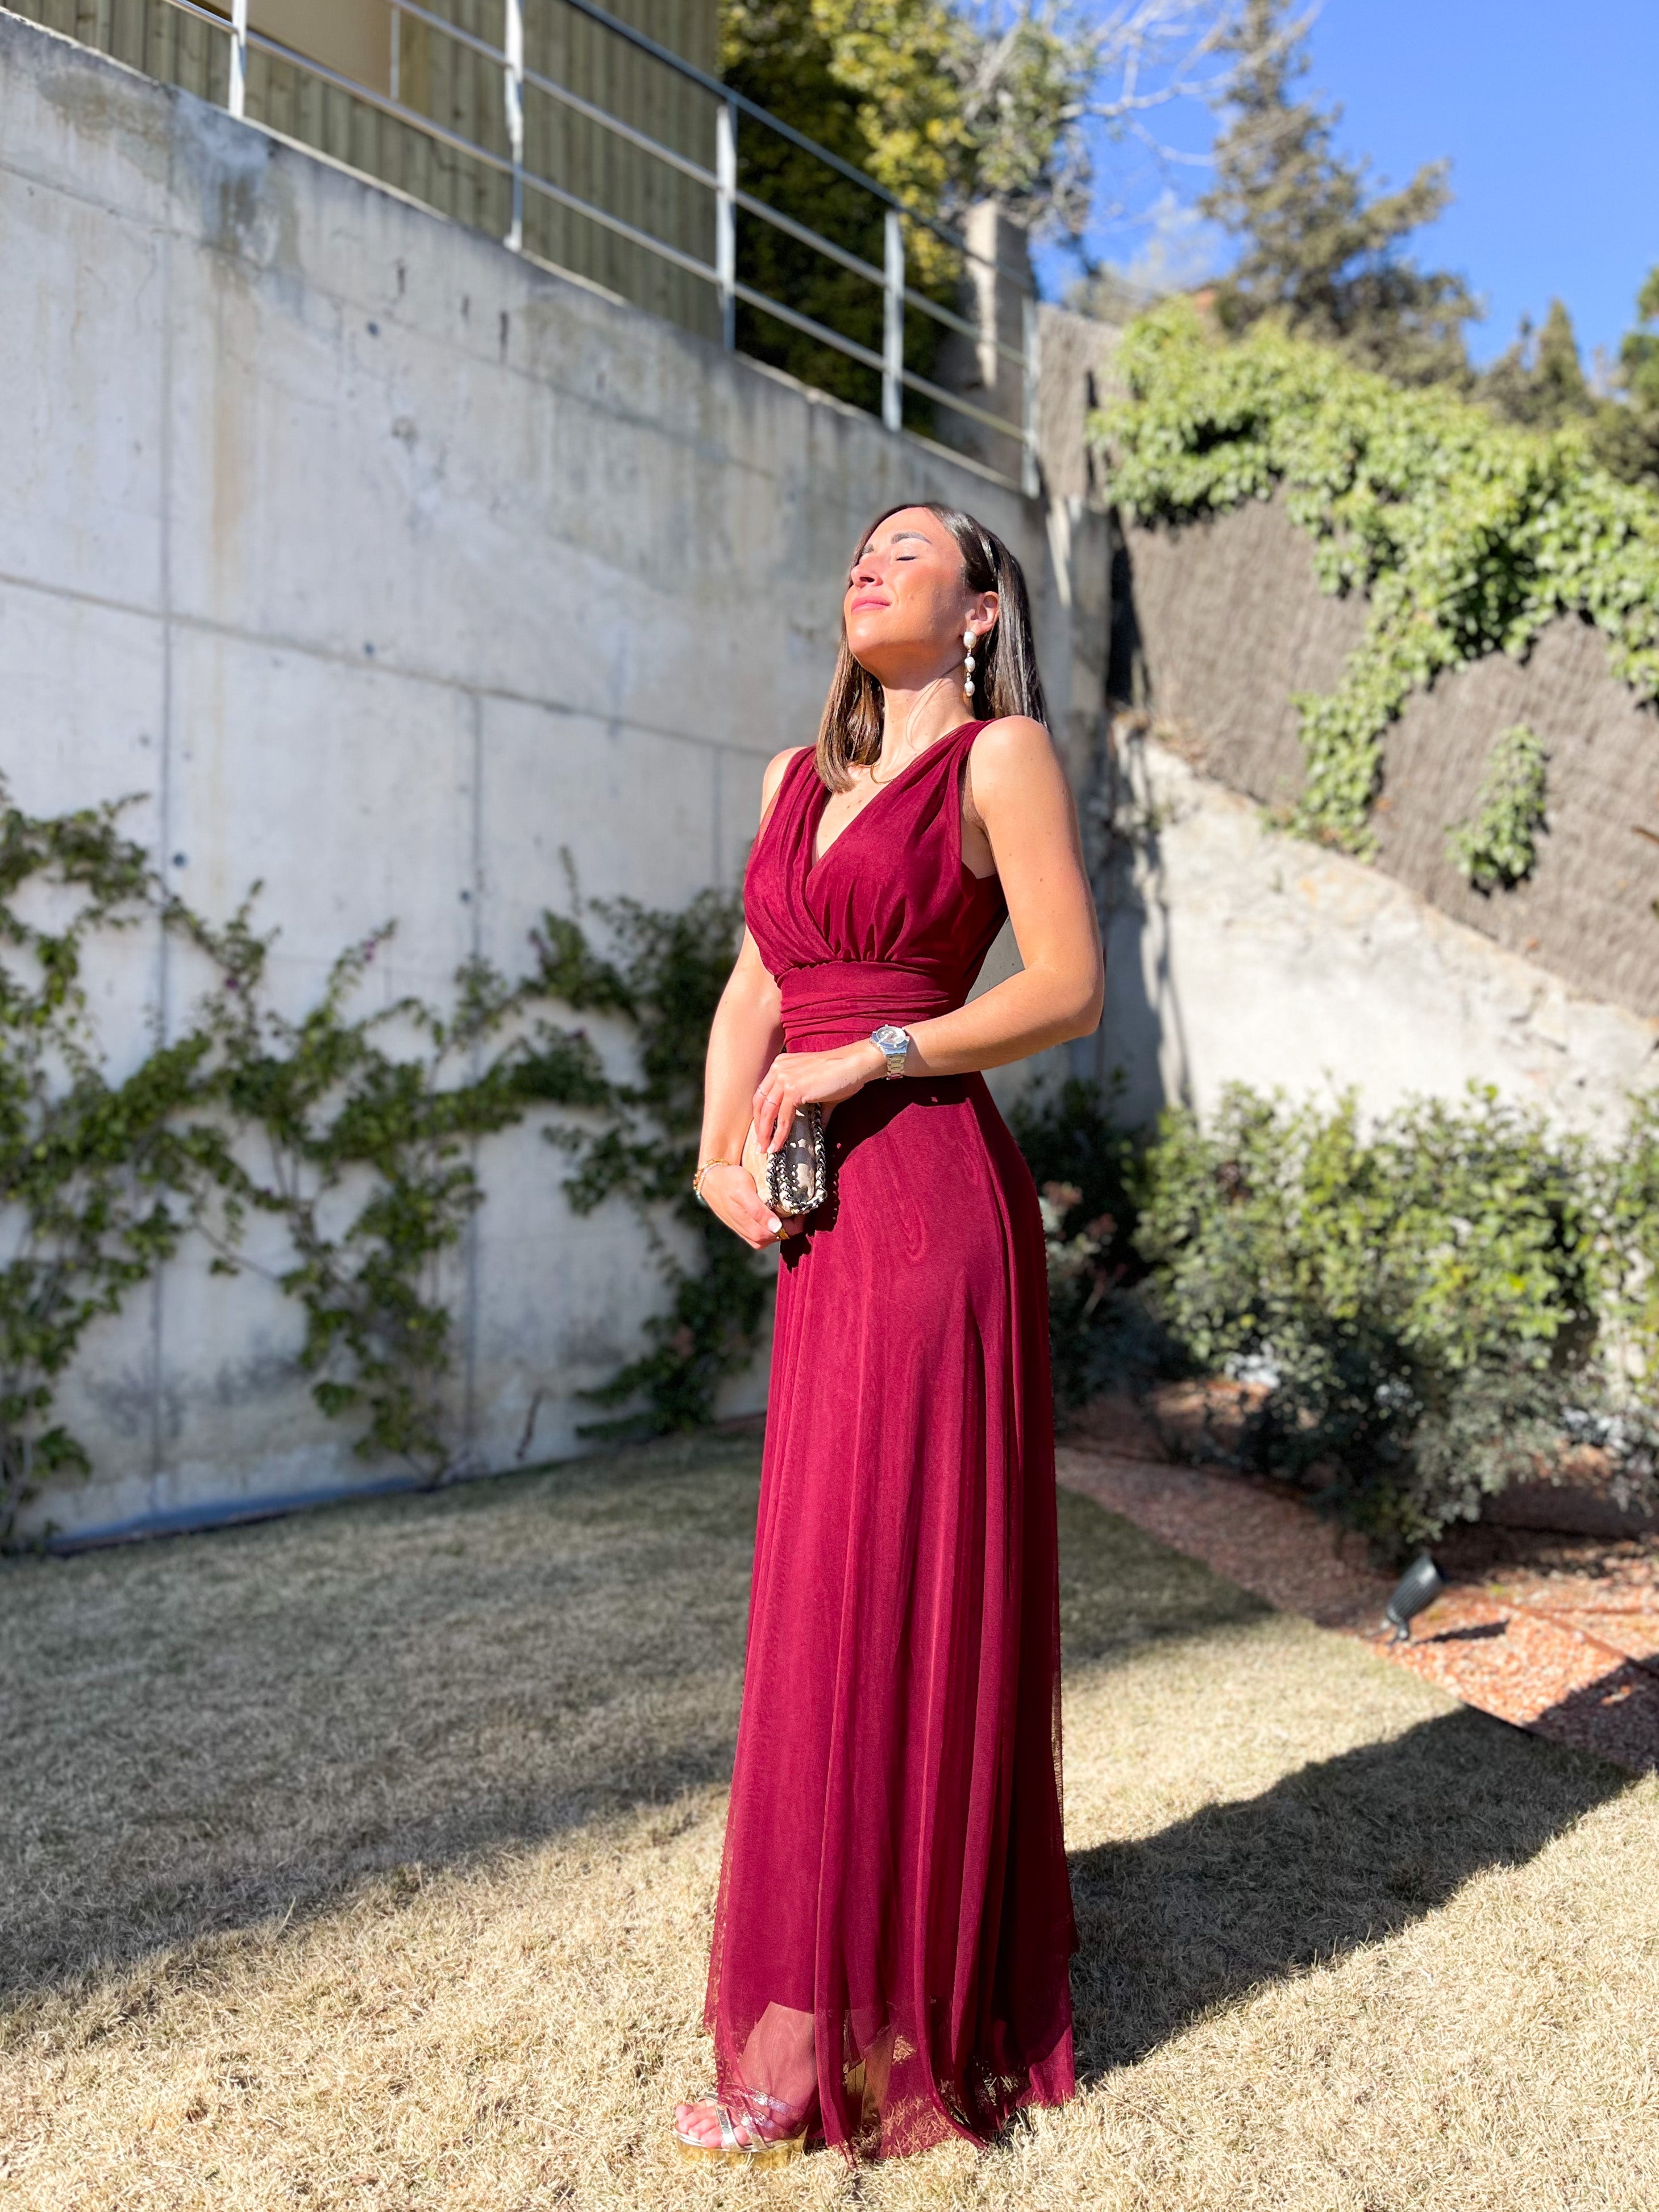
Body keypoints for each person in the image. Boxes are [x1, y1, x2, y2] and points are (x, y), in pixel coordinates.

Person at [674, 501, 1104, 2165]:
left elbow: (1066, 984)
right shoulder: (796, 777)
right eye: (857, 548)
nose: (867, 564)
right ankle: (813, 2004)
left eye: (909, 548)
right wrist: (718, 1157)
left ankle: (903, 2015)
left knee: (898, 1587)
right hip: (819, 1228)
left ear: (983, 605)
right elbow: (755, 989)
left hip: (927, 1203)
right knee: (822, 1597)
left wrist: (891, 1051)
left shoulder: (1001, 762)